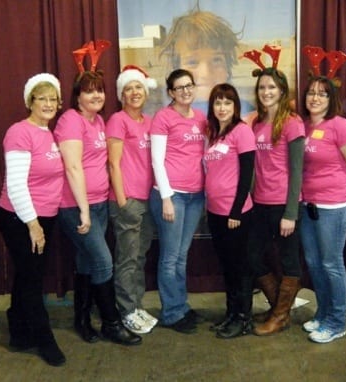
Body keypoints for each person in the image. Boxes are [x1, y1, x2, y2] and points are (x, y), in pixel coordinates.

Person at [54, 41, 141, 346]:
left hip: (100, 202)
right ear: (77, 96)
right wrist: (84, 211)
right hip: (76, 206)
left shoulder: (100, 120)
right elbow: (73, 168)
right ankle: (111, 322)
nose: (97, 96)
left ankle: (81, 319)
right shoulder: (69, 121)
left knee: (86, 261)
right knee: (103, 262)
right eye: (89, 91)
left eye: (100, 90)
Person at [0, 73, 66, 366]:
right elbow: (16, 185)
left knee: (27, 274)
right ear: (30, 102)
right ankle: (43, 339)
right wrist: (33, 224)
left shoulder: (48, 133)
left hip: (44, 216)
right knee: (33, 279)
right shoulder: (19, 132)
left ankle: (18, 330)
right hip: (19, 217)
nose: (48, 104)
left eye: (53, 99)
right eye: (42, 98)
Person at [300, 46, 346, 343]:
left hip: (334, 207)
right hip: (307, 206)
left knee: (331, 264)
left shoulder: (341, 126)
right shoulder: (300, 126)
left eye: (322, 93)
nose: (315, 98)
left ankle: (337, 321)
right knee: (314, 264)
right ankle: (323, 313)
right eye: (311, 92)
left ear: (332, 99)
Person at [248, 64, 305, 336]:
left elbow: (297, 172)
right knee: (254, 256)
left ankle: (280, 316)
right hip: (260, 204)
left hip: (283, 205)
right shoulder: (258, 123)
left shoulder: (292, 123)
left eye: (272, 87)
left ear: (282, 91)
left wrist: (291, 213)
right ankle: (277, 308)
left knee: (289, 260)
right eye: (262, 87)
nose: (266, 92)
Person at [149, 68, 206, 334]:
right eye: (179, 87)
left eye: (189, 86)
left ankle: (180, 305)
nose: (185, 91)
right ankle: (171, 312)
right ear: (170, 92)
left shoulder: (202, 118)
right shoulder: (163, 118)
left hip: (196, 196)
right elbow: (157, 160)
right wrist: (166, 197)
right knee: (170, 257)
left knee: (182, 255)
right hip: (172, 196)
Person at [105, 65, 158, 335]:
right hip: (127, 200)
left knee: (139, 256)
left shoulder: (149, 122)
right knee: (126, 258)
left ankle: (136, 306)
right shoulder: (117, 120)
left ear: (145, 91)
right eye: (128, 88)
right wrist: (123, 202)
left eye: (138, 87)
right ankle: (125, 311)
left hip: (148, 201)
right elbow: (113, 164)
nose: (134, 92)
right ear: (121, 94)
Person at [203, 83, 256, 338]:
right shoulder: (214, 133)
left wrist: (236, 211)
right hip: (215, 212)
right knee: (227, 266)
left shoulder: (241, 131)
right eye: (217, 102)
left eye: (227, 102)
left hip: (236, 214)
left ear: (235, 106)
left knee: (240, 268)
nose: (222, 107)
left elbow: (247, 174)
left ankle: (243, 319)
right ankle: (231, 315)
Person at [159, 10, 253, 115]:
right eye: (192, 62)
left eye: (216, 60)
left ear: (227, 67)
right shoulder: (167, 118)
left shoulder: (246, 112)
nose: (206, 73)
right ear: (176, 70)